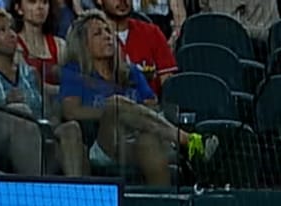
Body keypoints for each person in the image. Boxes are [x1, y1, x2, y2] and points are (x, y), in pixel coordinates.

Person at [59, 10, 209, 184]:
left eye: (108, 31)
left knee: (148, 142)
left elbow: (151, 104)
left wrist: (131, 116)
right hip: (102, 142)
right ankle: (185, 139)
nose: (107, 36)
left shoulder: (130, 72)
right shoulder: (75, 72)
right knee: (116, 104)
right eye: (98, 34)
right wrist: (111, 112)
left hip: (134, 138)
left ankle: (164, 198)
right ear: (83, 44)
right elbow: (70, 111)